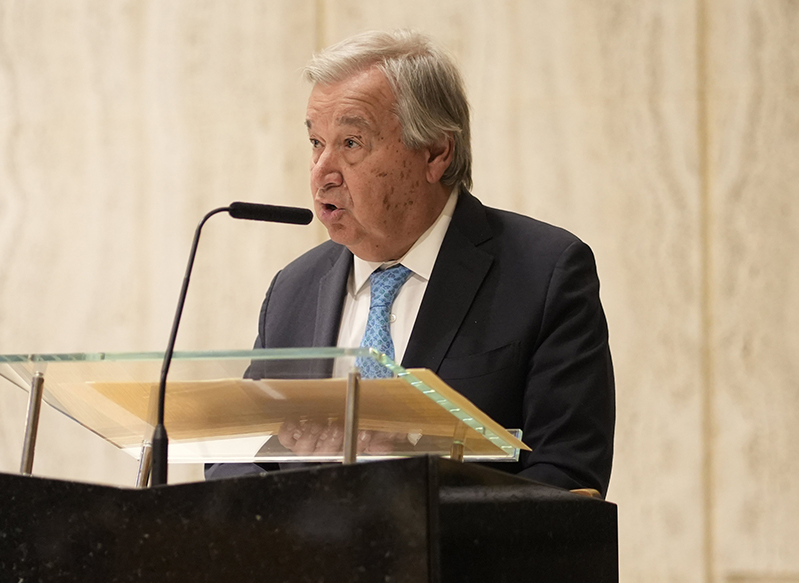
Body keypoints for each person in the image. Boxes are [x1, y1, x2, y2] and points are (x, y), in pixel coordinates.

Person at [206, 29, 614, 497]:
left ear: (437, 152)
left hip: (463, 565)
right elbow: (234, 453)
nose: (322, 172)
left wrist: (415, 469)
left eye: (352, 143)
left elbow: (567, 474)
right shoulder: (294, 289)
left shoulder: (544, 274)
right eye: (317, 143)